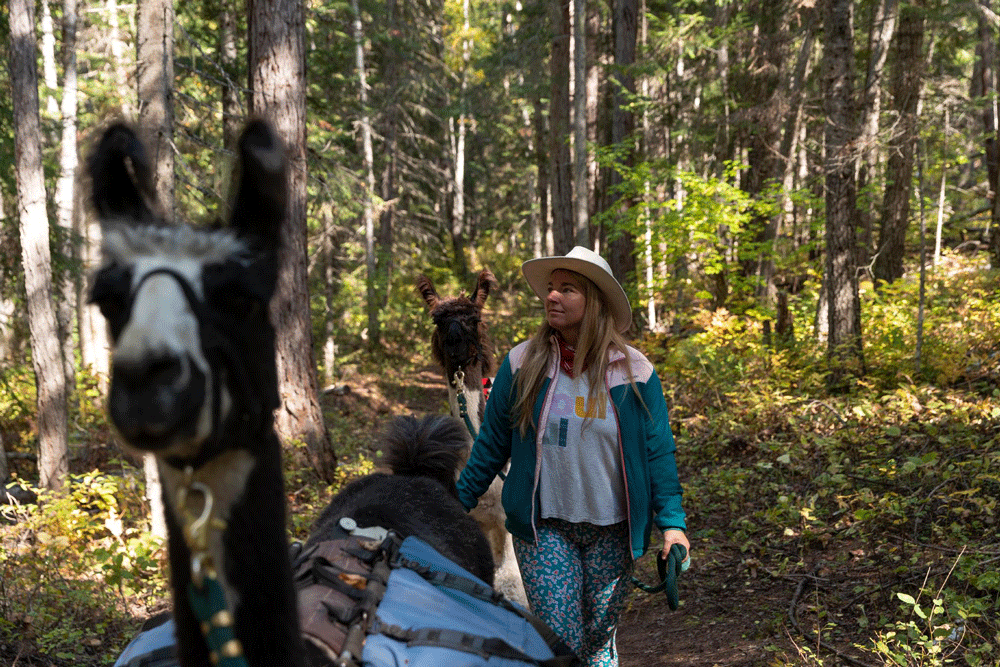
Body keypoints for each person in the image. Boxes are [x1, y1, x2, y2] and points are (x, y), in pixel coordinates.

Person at [456, 245, 690, 667]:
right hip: (544, 526)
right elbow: (492, 442)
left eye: (567, 289)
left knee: (599, 640)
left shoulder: (635, 373)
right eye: (551, 287)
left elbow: (657, 453)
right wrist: (455, 504)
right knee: (562, 640)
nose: (552, 296)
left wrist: (672, 525)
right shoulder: (522, 363)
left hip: (612, 530)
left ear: (594, 301)